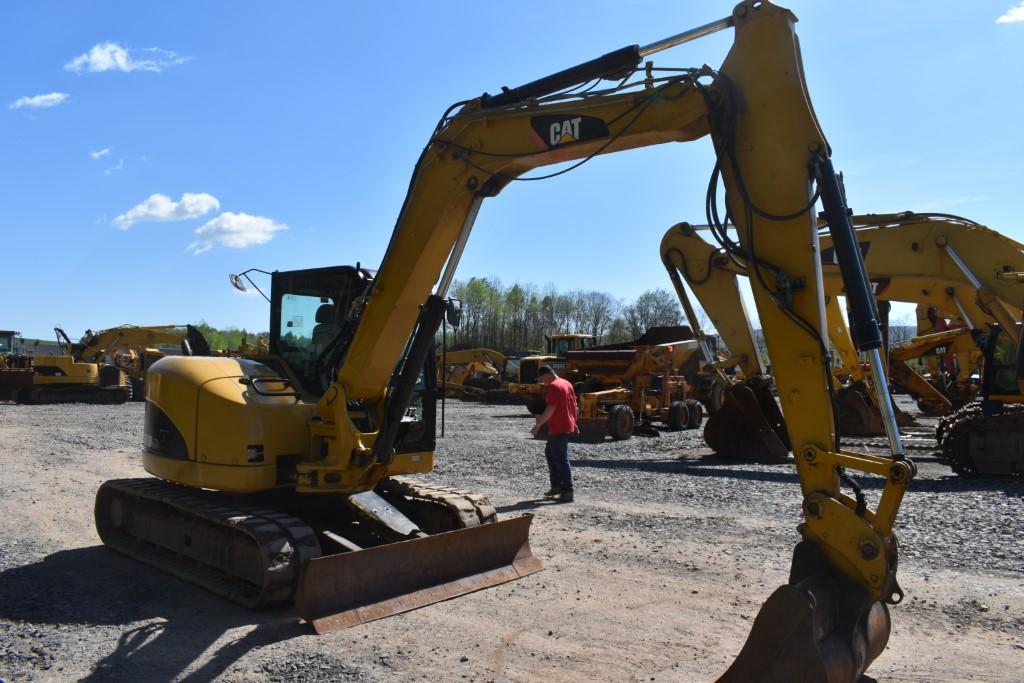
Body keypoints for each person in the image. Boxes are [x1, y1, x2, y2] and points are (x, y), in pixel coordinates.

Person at [530, 365, 577, 503]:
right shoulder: (566, 383)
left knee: (561, 459)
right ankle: (557, 486)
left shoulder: (554, 387)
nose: (542, 382)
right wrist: (575, 423)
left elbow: (551, 409)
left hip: (559, 427)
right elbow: (574, 405)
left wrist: (537, 426)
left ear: (546, 375)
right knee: (551, 454)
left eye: (541, 379)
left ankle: (567, 491)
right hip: (564, 426)